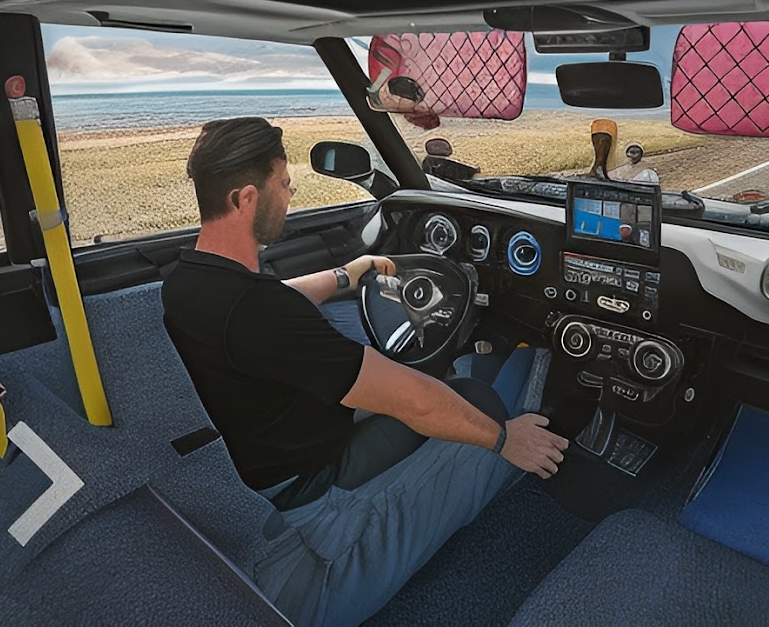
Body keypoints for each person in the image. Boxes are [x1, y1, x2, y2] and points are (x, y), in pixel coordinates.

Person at [160, 117, 567, 626]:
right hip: (315, 495)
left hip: (266, 459)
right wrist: (506, 440)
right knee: (478, 407)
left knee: (450, 393)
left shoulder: (187, 281)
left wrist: (347, 274)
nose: (289, 194)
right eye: (283, 184)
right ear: (245, 199)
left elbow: (274, 299)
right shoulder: (260, 314)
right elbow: (413, 400)